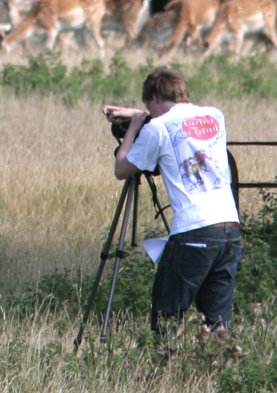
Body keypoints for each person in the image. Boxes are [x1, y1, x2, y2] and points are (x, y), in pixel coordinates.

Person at [103, 66, 241, 335]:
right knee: (217, 324)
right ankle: (218, 370)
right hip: (229, 230)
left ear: (154, 98)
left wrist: (132, 129)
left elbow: (121, 169)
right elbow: (179, 117)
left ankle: (163, 370)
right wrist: (138, 113)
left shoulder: (156, 128)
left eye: (148, 106)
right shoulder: (215, 116)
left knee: (167, 316)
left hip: (193, 230)